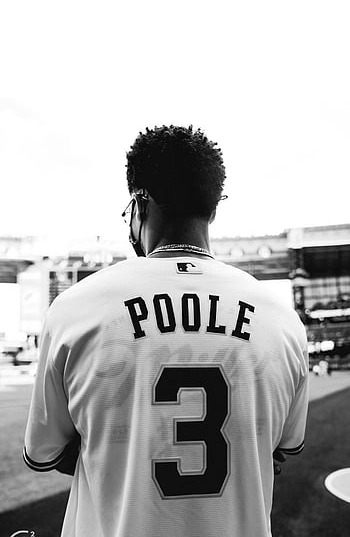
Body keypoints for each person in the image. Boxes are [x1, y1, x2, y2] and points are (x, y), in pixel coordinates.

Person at [23, 125, 309, 537]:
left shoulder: (75, 308)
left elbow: (46, 451)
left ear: (140, 203)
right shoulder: (283, 320)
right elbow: (280, 449)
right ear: (213, 209)